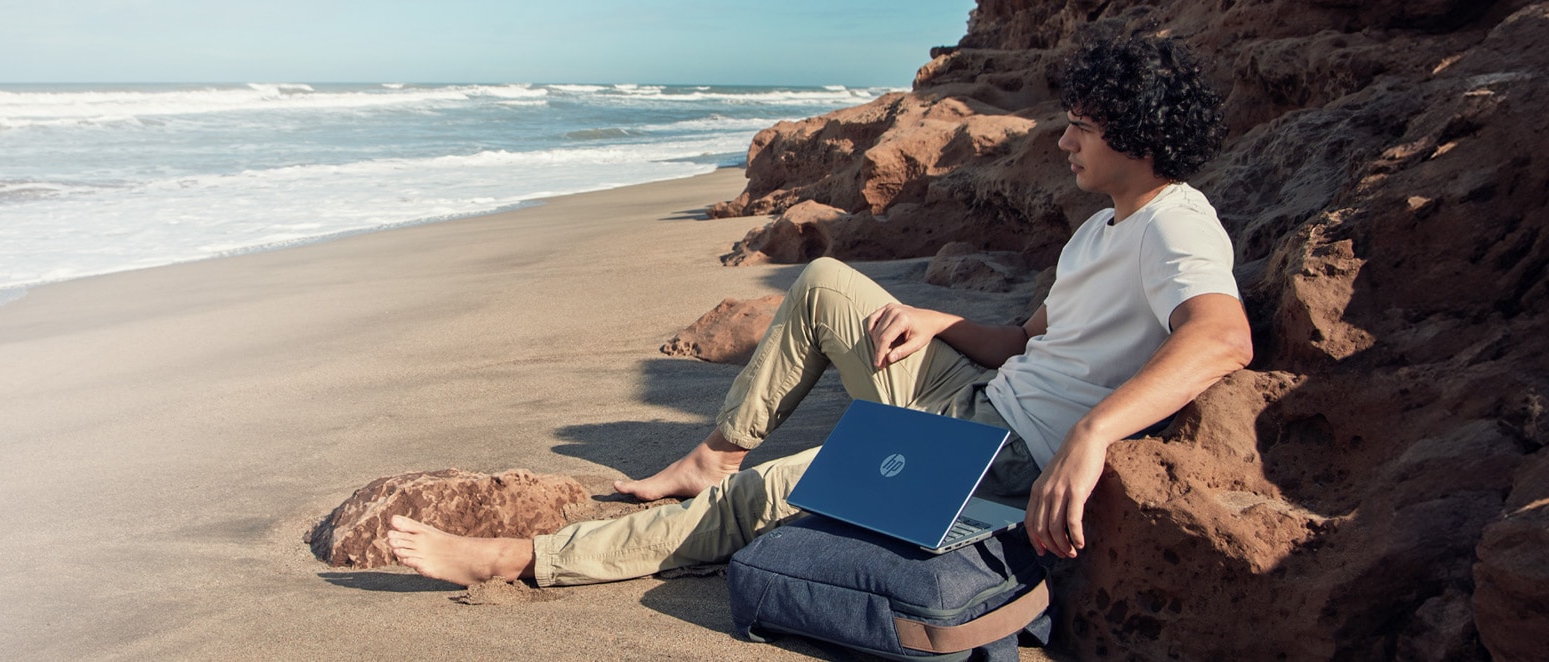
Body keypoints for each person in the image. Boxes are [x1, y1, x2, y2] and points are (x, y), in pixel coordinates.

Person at [387, 34, 1254, 588]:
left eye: (1083, 128)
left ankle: (521, 560)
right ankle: (711, 454)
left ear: (1138, 133)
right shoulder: (1104, 227)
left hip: (998, 454)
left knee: (779, 491)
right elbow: (1027, 342)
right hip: (977, 394)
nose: (1064, 141)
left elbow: (1222, 337)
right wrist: (937, 320)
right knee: (828, 283)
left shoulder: (1177, 222)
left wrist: (1094, 435)